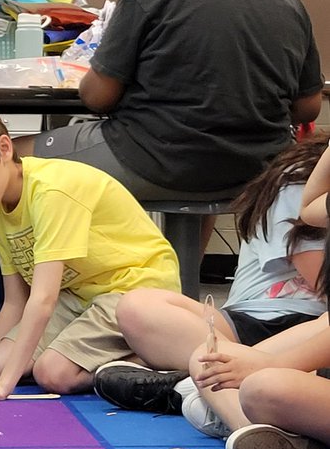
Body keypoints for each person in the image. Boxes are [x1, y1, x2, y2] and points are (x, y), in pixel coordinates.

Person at [26, 0, 323, 202]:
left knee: (1, 159)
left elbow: (97, 97)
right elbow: (308, 106)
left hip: (154, 162)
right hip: (256, 173)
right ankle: (188, 258)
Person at [0, 104, 181, 400]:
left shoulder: (50, 191)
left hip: (132, 288)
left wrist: (3, 386)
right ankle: (112, 354)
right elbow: (15, 301)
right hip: (80, 295)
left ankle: (156, 355)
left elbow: (44, 299)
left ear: (5, 148)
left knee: (53, 373)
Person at [93, 135, 328, 430]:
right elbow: (318, 268)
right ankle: (218, 384)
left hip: (316, 326)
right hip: (257, 319)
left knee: (219, 363)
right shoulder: (300, 178)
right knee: (137, 306)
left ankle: (196, 391)